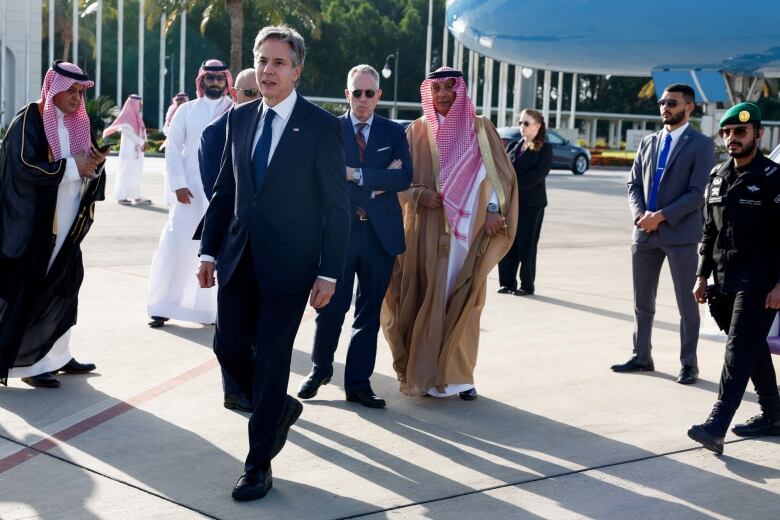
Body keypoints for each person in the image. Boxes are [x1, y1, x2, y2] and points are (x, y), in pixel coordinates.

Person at [197, 26, 349, 501]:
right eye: (262, 61)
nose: (267, 70)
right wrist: (207, 250)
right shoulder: (239, 120)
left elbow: (336, 207)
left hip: (291, 266)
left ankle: (257, 465)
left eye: (278, 63)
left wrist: (329, 272)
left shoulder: (321, 126)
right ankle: (277, 408)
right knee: (227, 349)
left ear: (297, 70)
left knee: (273, 361)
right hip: (238, 259)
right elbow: (225, 190)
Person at [381, 67, 518, 400]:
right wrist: (418, 195)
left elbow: (503, 177)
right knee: (424, 298)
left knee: (465, 303)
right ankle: (425, 377)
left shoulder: (481, 129)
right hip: (425, 233)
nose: (443, 94)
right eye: (436, 88)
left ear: (462, 91)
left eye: (449, 87)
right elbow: (394, 181)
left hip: (468, 237)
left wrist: (492, 211)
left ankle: (460, 378)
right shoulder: (416, 131)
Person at [296, 64, 412, 409]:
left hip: (380, 237)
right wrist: (376, 183)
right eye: (356, 92)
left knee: (368, 315)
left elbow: (404, 177)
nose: (362, 99)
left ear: (378, 95)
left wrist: (355, 175)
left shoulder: (393, 132)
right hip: (340, 235)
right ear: (347, 95)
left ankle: (359, 385)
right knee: (331, 309)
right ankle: (319, 371)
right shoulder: (331, 129)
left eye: (369, 93)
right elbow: (325, 179)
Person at [0, 60, 106, 388]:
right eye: (70, 91)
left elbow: (86, 164)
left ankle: (57, 354)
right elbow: (22, 166)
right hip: (37, 225)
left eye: (80, 92)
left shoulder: (79, 123)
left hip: (67, 222)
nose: (76, 98)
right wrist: (74, 166)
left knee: (65, 283)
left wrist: (95, 167)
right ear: (53, 89)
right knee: (32, 287)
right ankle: (27, 365)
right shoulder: (30, 118)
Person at [687, 102, 780, 455]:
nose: (732, 138)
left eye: (740, 131)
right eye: (726, 132)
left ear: (758, 133)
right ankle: (774, 413)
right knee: (752, 347)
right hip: (724, 282)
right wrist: (701, 276)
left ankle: (717, 424)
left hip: (761, 282)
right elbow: (709, 232)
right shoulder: (718, 176)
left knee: (738, 350)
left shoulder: (773, 178)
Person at [612, 83, 715, 385]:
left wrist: (662, 216)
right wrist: (640, 215)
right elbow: (633, 185)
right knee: (642, 302)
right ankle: (641, 356)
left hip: (680, 235)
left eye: (672, 103)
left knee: (687, 305)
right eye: (662, 102)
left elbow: (699, 193)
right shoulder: (648, 142)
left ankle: (688, 364)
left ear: (689, 107)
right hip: (644, 234)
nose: (665, 108)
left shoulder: (701, 145)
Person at [147, 60, 233, 329]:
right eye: (211, 79)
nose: (216, 83)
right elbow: (172, 147)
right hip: (190, 192)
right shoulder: (186, 110)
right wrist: (179, 184)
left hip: (221, 193)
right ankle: (162, 306)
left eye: (221, 79)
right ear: (202, 81)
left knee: (212, 251)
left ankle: (208, 312)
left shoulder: (233, 109)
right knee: (175, 245)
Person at [198, 68, 260, 413]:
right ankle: (234, 390)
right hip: (231, 241)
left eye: (259, 93)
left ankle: (254, 388)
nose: (256, 99)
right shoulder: (215, 133)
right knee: (232, 327)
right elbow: (217, 193)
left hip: (266, 247)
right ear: (234, 95)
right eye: (249, 93)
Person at [497, 109, 553, 296]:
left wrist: (512, 189)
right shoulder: (514, 145)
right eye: (520, 123)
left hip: (531, 204)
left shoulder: (545, 148)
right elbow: (504, 171)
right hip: (510, 204)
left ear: (538, 126)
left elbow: (537, 176)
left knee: (526, 244)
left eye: (526, 123)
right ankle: (507, 282)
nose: (522, 126)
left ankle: (526, 285)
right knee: (508, 242)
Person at [103, 94, 150, 206]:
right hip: (128, 153)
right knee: (125, 174)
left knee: (136, 174)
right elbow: (128, 133)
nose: (141, 106)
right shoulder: (126, 118)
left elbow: (142, 132)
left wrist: (144, 142)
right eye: (139, 104)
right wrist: (142, 142)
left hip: (137, 153)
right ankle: (121, 196)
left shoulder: (137, 117)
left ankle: (136, 196)